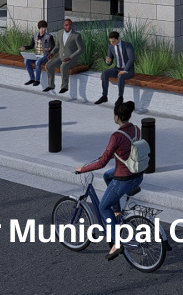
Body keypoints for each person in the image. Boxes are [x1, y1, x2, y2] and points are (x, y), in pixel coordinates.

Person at [75, 99, 145, 261]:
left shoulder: (116, 136)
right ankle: (117, 210)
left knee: (103, 206)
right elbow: (128, 151)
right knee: (107, 175)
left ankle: (116, 244)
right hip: (137, 174)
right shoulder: (135, 129)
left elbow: (101, 163)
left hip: (124, 179)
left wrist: (82, 169)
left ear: (116, 117)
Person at [43, 18, 82, 94]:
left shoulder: (76, 35)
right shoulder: (59, 33)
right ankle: (51, 85)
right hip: (61, 57)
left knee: (63, 66)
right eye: (66, 25)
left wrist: (70, 57)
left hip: (71, 60)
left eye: (70, 25)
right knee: (48, 65)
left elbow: (81, 49)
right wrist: (52, 53)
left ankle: (64, 86)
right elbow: (57, 46)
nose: (68, 26)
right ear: (63, 26)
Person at [95, 31, 134, 105]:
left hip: (128, 70)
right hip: (117, 68)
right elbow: (109, 62)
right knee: (104, 73)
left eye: (113, 41)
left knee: (120, 76)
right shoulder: (111, 47)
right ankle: (104, 96)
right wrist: (108, 61)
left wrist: (125, 70)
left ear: (118, 38)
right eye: (110, 41)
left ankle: (120, 97)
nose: (112, 43)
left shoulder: (127, 45)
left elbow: (131, 59)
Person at [21, 20, 54, 86]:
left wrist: (49, 49)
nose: (43, 29)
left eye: (45, 28)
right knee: (26, 61)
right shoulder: (35, 35)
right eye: (42, 28)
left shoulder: (49, 36)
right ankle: (32, 79)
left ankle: (37, 80)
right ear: (39, 28)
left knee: (37, 62)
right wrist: (25, 47)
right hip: (37, 55)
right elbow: (31, 46)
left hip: (45, 55)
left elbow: (54, 47)